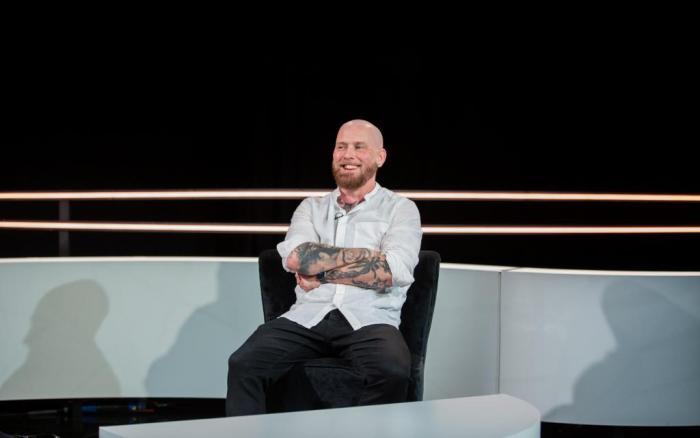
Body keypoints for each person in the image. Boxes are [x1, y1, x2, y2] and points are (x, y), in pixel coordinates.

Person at [226, 119, 422, 416]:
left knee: (392, 370)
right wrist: (370, 258)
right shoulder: (311, 207)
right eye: (341, 147)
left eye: (359, 147)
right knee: (243, 364)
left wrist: (323, 272)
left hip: (370, 318)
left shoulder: (400, 209)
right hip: (308, 315)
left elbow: (394, 270)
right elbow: (296, 258)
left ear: (380, 157)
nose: (348, 154)